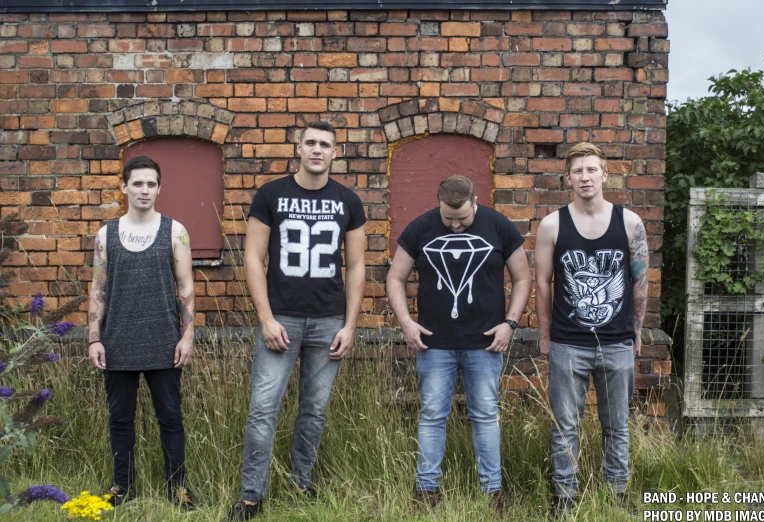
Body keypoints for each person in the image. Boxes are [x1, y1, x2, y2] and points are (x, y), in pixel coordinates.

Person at [227, 121, 366, 521]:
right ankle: (251, 496)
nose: (317, 150)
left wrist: (350, 325)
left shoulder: (348, 201)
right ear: (298, 148)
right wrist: (266, 318)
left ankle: (301, 483)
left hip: (328, 322)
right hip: (281, 319)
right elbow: (253, 258)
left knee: (314, 409)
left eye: (325, 144)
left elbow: (356, 267)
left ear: (335, 152)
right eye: (310, 143)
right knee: (262, 408)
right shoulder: (272, 194)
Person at [386, 175, 532, 507]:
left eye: (462, 219)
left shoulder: (499, 226)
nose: (454, 226)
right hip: (434, 344)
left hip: (485, 344)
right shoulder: (421, 228)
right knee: (432, 414)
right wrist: (406, 322)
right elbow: (395, 277)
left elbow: (523, 278)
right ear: (438, 204)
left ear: (475, 202)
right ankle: (426, 490)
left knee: (484, 414)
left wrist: (510, 323)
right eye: (447, 218)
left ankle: (492, 492)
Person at [534, 142, 648, 515]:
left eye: (592, 169)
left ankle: (616, 494)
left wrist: (637, 330)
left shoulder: (630, 223)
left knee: (617, 426)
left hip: (617, 342)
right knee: (564, 427)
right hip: (568, 343)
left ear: (605, 175)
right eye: (578, 171)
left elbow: (640, 282)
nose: (585, 177)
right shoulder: (552, 224)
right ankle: (564, 500)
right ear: (567, 178)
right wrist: (546, 336)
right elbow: (543, 284)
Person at [88, 155, 196, 509]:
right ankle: (123, 487)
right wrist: (94, 337)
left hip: (164, 341)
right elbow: (98, 290)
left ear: (160, 188)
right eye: (137, 183)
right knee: (120, 419)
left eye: (151, 184)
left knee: (170, 417)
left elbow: (186, 286)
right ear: (124, 187)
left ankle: (177, 488)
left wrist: (187, 335)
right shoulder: (106, 234)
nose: (145, 190)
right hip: (117, 341)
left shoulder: (175, 230)